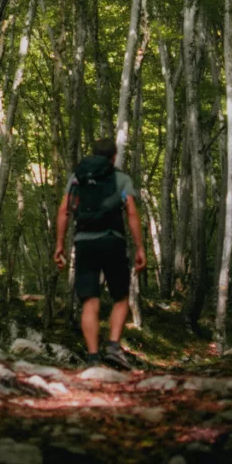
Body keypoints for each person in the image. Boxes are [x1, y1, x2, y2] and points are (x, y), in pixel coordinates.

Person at [53, 136, 146, 369]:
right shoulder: (121, 179)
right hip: (113, 241)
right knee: (121, 298)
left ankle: (93, 358)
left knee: (90, 302)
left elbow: (64, 211)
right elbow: (132, 213)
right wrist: (140, 247)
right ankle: (113, 347)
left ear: (94, 155)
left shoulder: (77, 178)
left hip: (84, 243)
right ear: (113, 157)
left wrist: (59, 244)